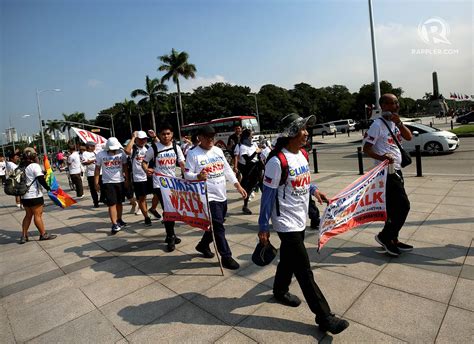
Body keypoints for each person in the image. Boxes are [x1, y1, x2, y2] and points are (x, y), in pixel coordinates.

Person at [258, 113, 349, 334]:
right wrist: (263, 227)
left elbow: (303, 179)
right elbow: (267, 197)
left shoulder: (302, 154)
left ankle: (279, 290)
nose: (307, 132)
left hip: (300, 219)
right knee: (304, 270)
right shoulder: (276, 161)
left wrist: (315, 189)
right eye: (302, 129)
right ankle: (325, 317)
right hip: (285, 222)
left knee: (288, 260)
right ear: (291, 133)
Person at [185, 125, 247, 270]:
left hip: (221, 194)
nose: (210, 139)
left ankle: (203, 245)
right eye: (207, 137)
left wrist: (237, 185)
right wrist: (197, 176)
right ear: (199, 138)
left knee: (215, 223)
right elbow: (187, 174)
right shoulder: (193, 154)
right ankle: (226, 256)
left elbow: (226, 169)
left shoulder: (218, 150)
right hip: (207, 196)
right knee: (218, 226)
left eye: (212, 136)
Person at [363, 93, 413, 256]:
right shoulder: (377, 125)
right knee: (403, 206)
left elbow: (408, 136)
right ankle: (385, 236)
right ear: (383, 105)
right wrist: (382, 158)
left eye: (397, 103)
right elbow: (367, 149)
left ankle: (393, 239)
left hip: (397, 170)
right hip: (386, 173)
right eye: (393, 103)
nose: (397, 106)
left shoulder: (394, 123)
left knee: (393, 208)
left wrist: (399, 122)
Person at [143, 123, 186, 252]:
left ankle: (170, 234)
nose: (166, 136)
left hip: (173, 183)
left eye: (168, 134)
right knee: (168, 209)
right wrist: (146, 170)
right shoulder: (154, 147)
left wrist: (188, 176)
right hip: (159, 184)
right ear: (159, 135)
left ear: (172, 135)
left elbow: (182, 163)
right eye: (163, 134)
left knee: (172, 209)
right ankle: (171, 236)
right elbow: (144, 162)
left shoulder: (176, 147)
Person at [19, 148, 56, 244]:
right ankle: (43, 234)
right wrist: (48, 188)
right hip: (34, 195)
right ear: (33, 157)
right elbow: (41, 179)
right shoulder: (34, 166)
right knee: (37, 215)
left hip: (24, 196)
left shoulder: (21, 166)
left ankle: (23, 236)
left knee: (28, 215)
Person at [95, 137, 130, 234]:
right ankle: (114, 224)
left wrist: (127, 180)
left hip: (120, 181)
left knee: (119, 202)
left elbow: (125, 167)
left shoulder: (121, 153)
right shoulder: (100, 154)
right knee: (112, 203)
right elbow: (97, 169)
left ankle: (119, 219)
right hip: (107, 183)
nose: (114, 150)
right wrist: (96, 182)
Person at [124, 131, 153, 226]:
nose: (143, 141)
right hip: (138, 178)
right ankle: (146, 217)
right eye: (140, 139)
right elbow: (127, 151)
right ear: (136, 139)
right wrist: (133, 138)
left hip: (150, 176)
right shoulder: (133, 149)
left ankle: (153, 209)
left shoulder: (148, 148)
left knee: (157, 194)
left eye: (144, 139)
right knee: (142, 199)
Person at [236, 129, 261, 215]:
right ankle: (245, 205)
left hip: (257, 167)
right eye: (251, 135)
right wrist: (255, 152)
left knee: (262, 185)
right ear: (247, 136)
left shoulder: (254, 143)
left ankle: (269, 205)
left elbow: (258, 154)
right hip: (249, 169)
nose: (252, 137)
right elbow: (247, 160)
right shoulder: (243, 146)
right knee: (249, 187)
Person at [81, 141, 100, 207]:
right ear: (89, 147)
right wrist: (93, 160)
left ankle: (103, 199)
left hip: (100, 173)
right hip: (91, 174)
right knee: (93, 189)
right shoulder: (85, 154)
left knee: (104, 187)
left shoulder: (96, 152)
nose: (95, 147)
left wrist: (91, 160)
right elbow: (84, 162)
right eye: (93, 146)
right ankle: (96, 202)